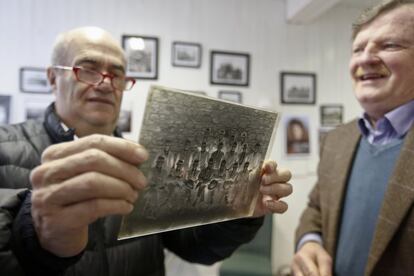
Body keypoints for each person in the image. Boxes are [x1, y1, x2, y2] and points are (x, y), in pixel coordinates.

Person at [0, 26, 293, 275]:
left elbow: (196, 248)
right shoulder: (4, 151)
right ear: (53, 78)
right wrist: (34, 231)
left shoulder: (144, 160)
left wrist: (239, 210)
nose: (105, 84)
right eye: (87, 70)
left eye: (117, 75)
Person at [292, 1, 414, 275]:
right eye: (358, 49)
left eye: (390, 45)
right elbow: (316, 208)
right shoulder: (337, 140)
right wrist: (308, 241)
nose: (364, 59)